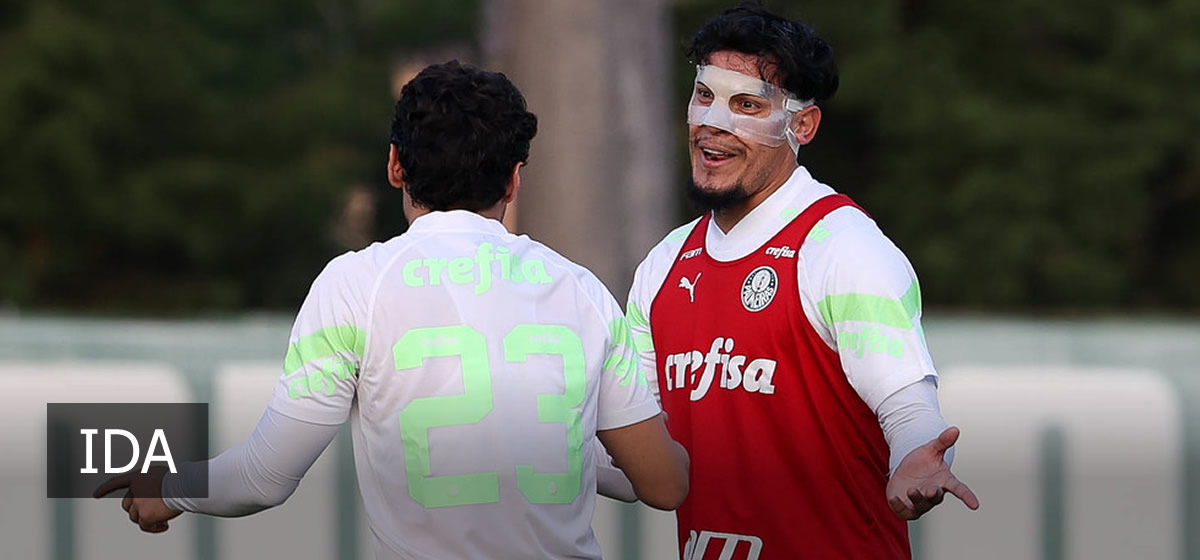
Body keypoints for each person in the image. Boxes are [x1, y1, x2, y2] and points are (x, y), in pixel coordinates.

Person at [95, 60, 689, 560]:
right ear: (513, 179)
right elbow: (661, 485)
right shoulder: (581, 290)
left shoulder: (354, 284)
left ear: (395, 165)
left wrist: (168, 488)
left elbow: (263, 479)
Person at [624, 5, 979, 559]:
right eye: (704, 96)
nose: (712, 124)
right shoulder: (664, 266)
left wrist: (917, 458)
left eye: (746, 105)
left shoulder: (843, 248)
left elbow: (910, 411)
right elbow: (644, 457)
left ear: (802, 126)